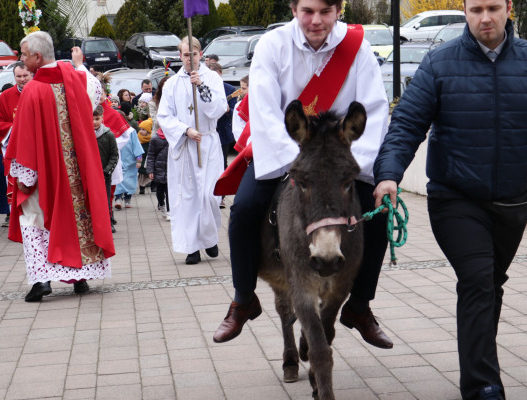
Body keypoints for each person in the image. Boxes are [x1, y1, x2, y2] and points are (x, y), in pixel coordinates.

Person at [372, 0, 527, 398]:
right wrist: (389, 174)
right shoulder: (440, 62)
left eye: (493, 8)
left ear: (509, 7)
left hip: (512, 202)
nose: (485, 18)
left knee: (491, 284)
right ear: (464, 11)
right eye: (475, 10)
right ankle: (483, 387)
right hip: (454, 198)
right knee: (476, 282)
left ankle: (480, 364)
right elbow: (406, 124)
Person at [212, 0, 395, 350]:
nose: (315, 21)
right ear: (294, 8)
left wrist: (346, 163)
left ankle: (359, 306)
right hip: (286, 152)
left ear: (339, 9)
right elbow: (265, 112)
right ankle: (243, 298)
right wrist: (300, 162)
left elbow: (373, 110)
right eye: (307, 11)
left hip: (342, 155)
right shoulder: (272, 45)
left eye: (325, 12)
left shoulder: (359, 48)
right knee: (245, 209)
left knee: (378, 214)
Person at [5, 32, 114, 302]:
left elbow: (25, 139)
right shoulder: (74, 77)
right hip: (78, 171)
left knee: (33, 218)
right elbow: (96, 91)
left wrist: (22, 175)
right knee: (77, 217)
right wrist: (78, 64)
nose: (21, 59)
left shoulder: (32, 89)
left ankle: (41, 280)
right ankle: (80, 278)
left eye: (24, 54)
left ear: (38, 57)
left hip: (44, 173)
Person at [157, 36, 227, 265]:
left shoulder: (211, 79)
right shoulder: (172, 84)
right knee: (188, 199)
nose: (190, 59)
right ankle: (192, 248)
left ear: (201, 55)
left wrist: (201, 87)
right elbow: (164, 116)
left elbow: (218, 109)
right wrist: (185, 130)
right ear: (180, 56)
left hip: (207, 144)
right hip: (185, 147)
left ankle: (209, 238)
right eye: (185, 55)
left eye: (193, 55)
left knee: (209, 196)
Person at [0, 61, 34, 228]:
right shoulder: (5, 97)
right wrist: (17, 129)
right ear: (14, 77)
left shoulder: (40, 92)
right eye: (19, 76)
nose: (22, 79)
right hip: (15, 149)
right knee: (16, 183)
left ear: (32, 74)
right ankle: (17, 219)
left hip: (36, 148)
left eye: (26, 75)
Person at [207, 62, 238, 209]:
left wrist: (226, 110)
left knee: (222, 163)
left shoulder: (230, 90)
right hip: (206, 132)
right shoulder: (204, 88)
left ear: (220, 74)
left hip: (222, 133)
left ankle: (221, 195)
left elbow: (234, 112)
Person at [93, 105, 120, 233]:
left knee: (105, 199)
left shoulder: (108, 135)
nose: (94, 122)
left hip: (105, 174)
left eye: (97, 119)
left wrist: (107, 171)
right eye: (91, 119)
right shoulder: (85, 134)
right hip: (91, 174)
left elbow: (114, 155)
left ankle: (108, 222)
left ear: (102, 118)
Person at [113, 116, 144, 209]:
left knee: (129, 180)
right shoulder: (111, 130)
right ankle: (118, 198)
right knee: (118, 180)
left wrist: (139, 159)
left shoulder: (131, 131)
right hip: (117, 161)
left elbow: (136, 145)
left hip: (130, 161)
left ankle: (127, 198)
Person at [146, 121, 169, 220]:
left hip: (170, 170)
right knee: (160, 191)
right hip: (158, 170)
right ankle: (161, 204)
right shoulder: (155, 139)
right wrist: (150, 170)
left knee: (169, 192)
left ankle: (169, 210)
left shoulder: (173, 137)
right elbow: (150, 155)